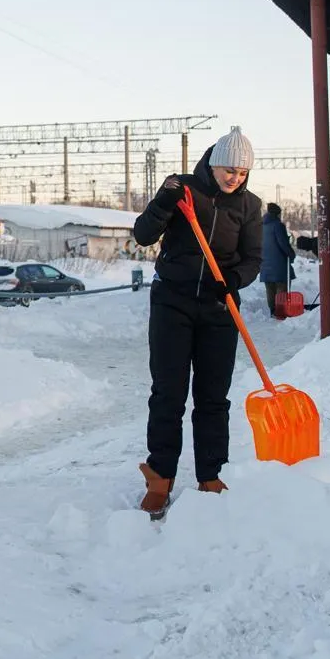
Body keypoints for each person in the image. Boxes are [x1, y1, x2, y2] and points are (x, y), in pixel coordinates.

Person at [130, 126, 262, 517]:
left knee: (212, 398)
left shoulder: (250, 206)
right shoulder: (184, 189)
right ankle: (160, 478)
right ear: (213, 163)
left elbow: (253, 258)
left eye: (241, 172)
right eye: (228, 169)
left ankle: (210, 474)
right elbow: (143, 234)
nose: (234, 177)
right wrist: (162, 202)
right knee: (168, 393)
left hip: (221, 309)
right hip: (173, 303)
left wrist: (233, 282)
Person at [294, 233, 330, 307]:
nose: (306, 251)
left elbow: (324, 262)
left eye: (304, 249)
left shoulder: (315, 246)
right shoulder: (316, 241)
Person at [260, 203, 293, 317]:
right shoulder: (278, 225)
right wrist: (291, 254)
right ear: (277, 214)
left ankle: (272, 311)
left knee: (270, 287)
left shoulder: (260, 225)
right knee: (281, 286)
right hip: (278, 262)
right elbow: (283, 243)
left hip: (264, 262)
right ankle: (281, 311)